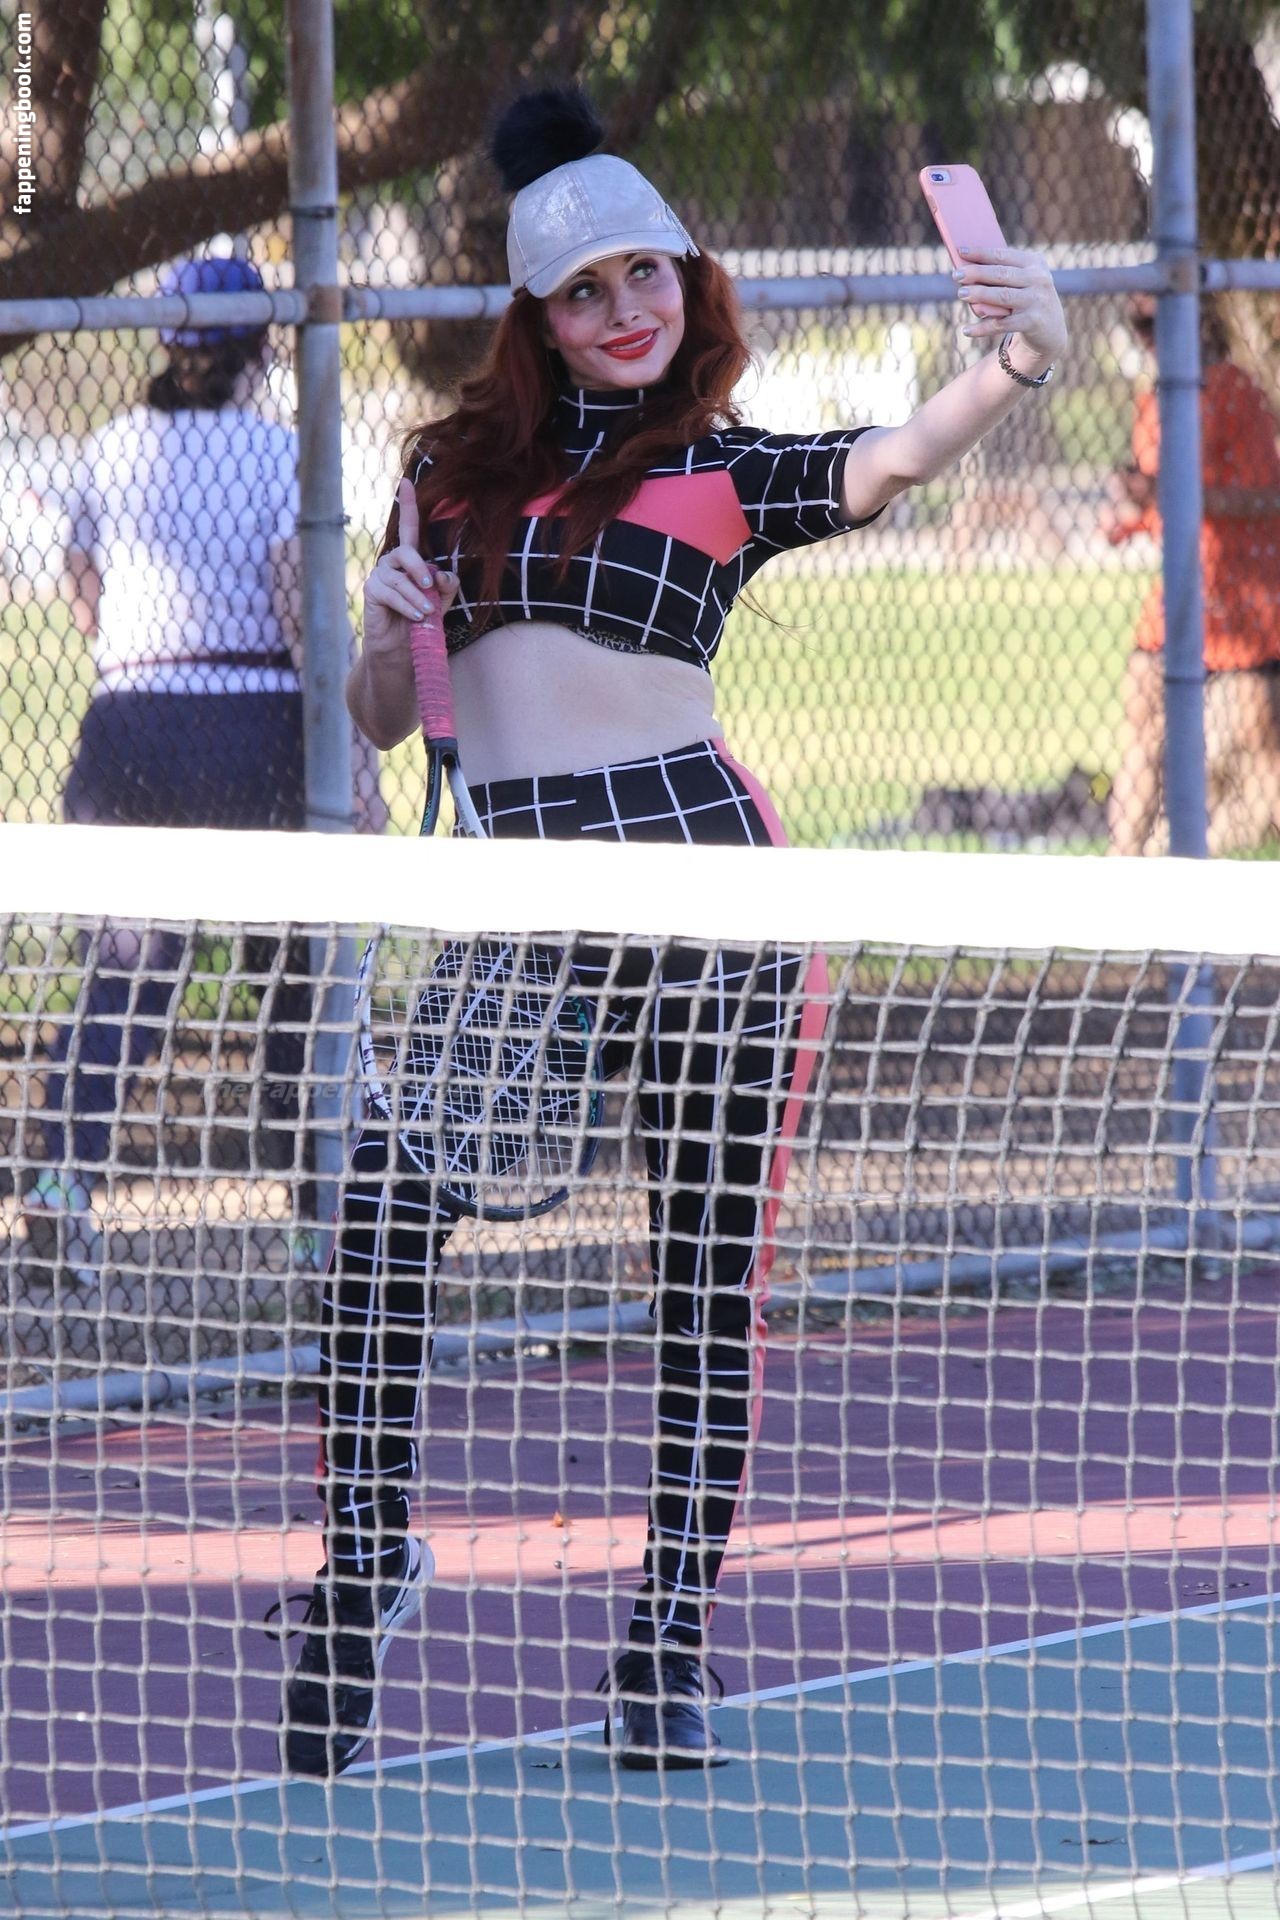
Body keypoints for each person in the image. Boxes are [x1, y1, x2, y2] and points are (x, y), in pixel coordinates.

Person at [278, 86, 1067, 1778]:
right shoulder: (441, 479)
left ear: (685, 281)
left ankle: (667, 1641)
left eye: (647, 274)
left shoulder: (720, 466)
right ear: (537, 318)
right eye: (587, 291)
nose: (626, 309)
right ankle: (367, 1559)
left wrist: (1017, 359)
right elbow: (387, 717)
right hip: (518, 909)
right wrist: (389, 629)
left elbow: (890, 458)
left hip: (716, 902)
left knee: (706, 1276)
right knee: (385, 1219)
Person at [21, 255, 382, 1287]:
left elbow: (85, 594)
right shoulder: (278, 452)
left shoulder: (111, 446)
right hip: (252, 725)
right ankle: (312, 1214)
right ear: (263, 348)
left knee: (127, 973)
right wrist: (357, 762)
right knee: (293, 972)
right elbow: (302, 615)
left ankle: (60, 1185)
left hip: (129, 723)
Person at [1105, 293, 1280, 855]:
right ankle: (1119, 866)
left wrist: (1174, 494)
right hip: (1181, 592)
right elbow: (1155, 501)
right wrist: (1129, 512)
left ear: (1196, 322)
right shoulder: (1153, 400)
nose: (1145, 338)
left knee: (1260, 746)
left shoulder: (1235, 391)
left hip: (1241, 597)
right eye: (1137, 325)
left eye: (1152, 323)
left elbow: (1265, 498)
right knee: (1141, 727)